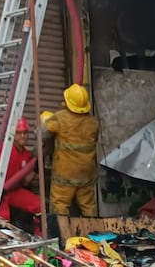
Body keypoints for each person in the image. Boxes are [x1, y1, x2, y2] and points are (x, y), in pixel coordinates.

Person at [41, 84, 100, 216]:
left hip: (65, 175)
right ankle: (93, 233)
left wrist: (44, 120)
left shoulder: (60, 118)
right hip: (86, 174)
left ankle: (60, 234)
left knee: (60, 206)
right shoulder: (93, 122)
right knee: (89, 206)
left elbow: (43, 133)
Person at [0, 117, 41, 234]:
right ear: (13, 134)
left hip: (14, 191)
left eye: (25, 133)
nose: (23, 136)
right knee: (3, 217)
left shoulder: (26, 154)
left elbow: (26, 181)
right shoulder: (3, 148)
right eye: (19, 133)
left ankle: (38, 238)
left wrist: (36, 169)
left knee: (38, 205)